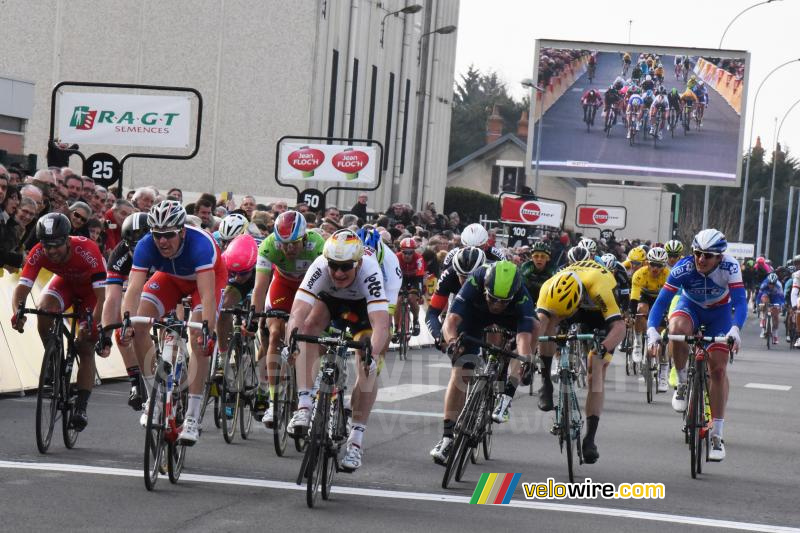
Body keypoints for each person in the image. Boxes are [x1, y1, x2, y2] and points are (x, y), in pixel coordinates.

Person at [120, 200, 228, 444]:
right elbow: (134, 289)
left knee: (199, 339)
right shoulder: (146, 244)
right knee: (138, 326)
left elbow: (207, 295)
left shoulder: (201, 245)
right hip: (170, 278)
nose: (162, 241)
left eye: (169, 234)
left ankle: (192, 418)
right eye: (157, 235)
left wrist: (208, 331)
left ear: (182, 231)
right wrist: (126, 321)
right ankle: (155, 399)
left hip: (205, 281)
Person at [286, 229, 391, 471]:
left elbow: (381, 325)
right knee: (308, 327)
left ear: (358, 263)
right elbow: (298, 312)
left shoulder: (369, 270)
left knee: (367, 360)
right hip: (330, 300)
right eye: (334, 266)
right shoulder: (320, 267)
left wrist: (372, 356)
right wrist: (290, 341)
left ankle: (356, 442)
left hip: (363, 306)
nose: (339, 272)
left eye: (345, 267)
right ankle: (304, 405)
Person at [646, 229, 745, 462]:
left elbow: (740, 302)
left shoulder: (730, 267)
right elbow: (661, 302)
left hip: (719, 314)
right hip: (690, 308)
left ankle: (717, 435)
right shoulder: (684, 267)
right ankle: (681, 382)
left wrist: (735, 329)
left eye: (708, 255)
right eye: (697, 253)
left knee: (718, 371)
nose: (701, 259)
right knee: (676, 330)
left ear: (719, 256)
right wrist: (651, 330)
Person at [431, 261, 535, 464]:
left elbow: (524, 336)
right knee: (460, 372)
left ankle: (507, 394)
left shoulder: (521, 295)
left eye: (502, 301)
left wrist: (526, 358)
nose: (496, 305)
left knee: (533, 329)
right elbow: (451, 320)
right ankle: (447, 438)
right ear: (485, 288)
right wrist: (452, 342)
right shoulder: (476, 280)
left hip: (509, 318)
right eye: (492, 299)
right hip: (475, 315)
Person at [11, 213, 106, 431]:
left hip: (91, 293)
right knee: (44, 309)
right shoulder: (38, 252)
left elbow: (103, 298)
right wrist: (17, 313)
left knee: (85, 345)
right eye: (47, 245)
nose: (51, 251)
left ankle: (81, 407)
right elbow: (21, 289)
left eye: (56, 245)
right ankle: (53, 359)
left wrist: (93, 324)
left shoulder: (87, 250)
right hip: (65, 284)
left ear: (67, 240)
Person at [535, 259, 626, 464]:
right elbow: (537, 326)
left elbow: (620, 327)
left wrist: (603, 347)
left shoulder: (600, 286)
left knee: (596, 365)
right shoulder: (548, 286)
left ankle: (590, 438)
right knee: (547, 326)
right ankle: (546, 382)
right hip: (563, 304)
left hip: (598, 313)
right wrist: (528, 355)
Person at [251, 210, 325, 426]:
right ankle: (273, 402)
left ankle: (310, 384)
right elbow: (260, 286)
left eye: (294, 243)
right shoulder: (268, 245)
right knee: (275, 334)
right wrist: (254, 316)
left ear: (304, 238)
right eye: (284, 244)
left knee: (313, 335)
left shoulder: (318, 244)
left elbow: (326, 286)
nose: (288, 249)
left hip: (311, 288)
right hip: (283, 285)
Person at [97, 212, 151, 410]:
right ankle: (136, 381)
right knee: (123, 330)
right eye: (133, 248)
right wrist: (106, 333)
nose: (138, 252)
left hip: (160, 285)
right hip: (136, 288)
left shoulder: (164, 247)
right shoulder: (119, 253)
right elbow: (112, 297)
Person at [629, 247, 670, 389]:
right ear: (647, 263)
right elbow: (634, 297)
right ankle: (638, 341)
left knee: (662, 339)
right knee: (640, 310)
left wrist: (670, 314)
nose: (655, 268)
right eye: (652, 264)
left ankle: (663, 373)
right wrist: (632, 313)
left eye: (659, 265)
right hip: (645, 297)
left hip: (661, 299)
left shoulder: (668, 275)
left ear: (664, 266)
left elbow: (672, 298)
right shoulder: (640, 274)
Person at [395, 237, 425, 337]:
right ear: (401, 251)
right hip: (401, 279)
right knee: (399, 301)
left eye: (410, 252)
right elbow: (392, 276)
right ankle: (396, 327)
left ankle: (416, 320)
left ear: (414, 252)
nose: (407, 255)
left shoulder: (419, 258)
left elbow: (420, 278)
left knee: (412, 299)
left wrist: (420, 294)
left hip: (415, 279)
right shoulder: (396, 257)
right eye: (405, 252)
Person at [756, 272, 784, 344]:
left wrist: (781, 305)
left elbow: (781, 297)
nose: (771, 285)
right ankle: (763, 318)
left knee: (776, 315)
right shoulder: (764, 284)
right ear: (768, 282)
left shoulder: (779, 286)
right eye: (770, 283)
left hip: (775, 297)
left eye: (773, 284)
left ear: (775, 283)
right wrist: (758, 304)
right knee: (764, 300)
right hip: (766, 295)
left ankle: (775, 335)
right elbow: (759, 295)